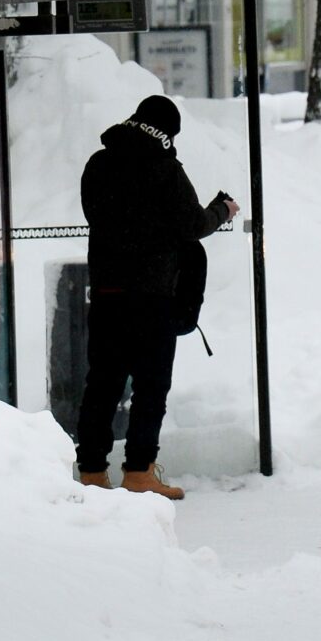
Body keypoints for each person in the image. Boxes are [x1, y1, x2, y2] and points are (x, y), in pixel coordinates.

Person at [76, 94, 236, 498]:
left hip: (108, 292)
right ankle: (139, 473)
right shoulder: (165, 170)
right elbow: (192, 225)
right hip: (152, 297)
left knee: (103, 384)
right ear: (167, 132)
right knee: (150, 387)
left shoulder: (99, 163)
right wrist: (221, 210)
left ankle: (92, 471)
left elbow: (98, 215)